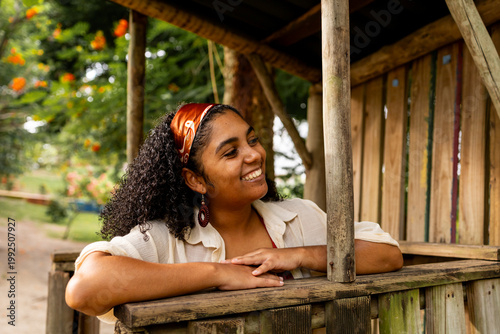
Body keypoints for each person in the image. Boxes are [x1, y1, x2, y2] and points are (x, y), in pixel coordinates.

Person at [65, 103, 403, 323]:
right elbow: (85, 290)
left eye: (252, 140)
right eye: (231, 152)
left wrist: (300, 254)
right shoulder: (164, 238)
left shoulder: (298, 217)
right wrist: (217, 274)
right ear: (195, 179)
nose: (254, 155)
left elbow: (387, 256)